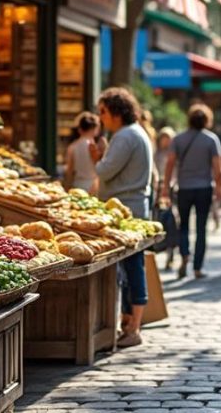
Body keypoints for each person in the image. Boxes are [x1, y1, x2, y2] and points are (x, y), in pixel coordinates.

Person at [89, 87, 153, 347]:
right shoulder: (134, 133)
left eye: (103, 111)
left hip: (127, 207)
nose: (100, 117)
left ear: (116, 112)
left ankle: (133, 327)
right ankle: (128, 323)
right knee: (131, 266)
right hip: (132, 206)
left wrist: (97, 157)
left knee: (133, 267)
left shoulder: (125, 136)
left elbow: (105, 171)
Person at [161, 105, 221, 279]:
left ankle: (185, 254)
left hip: (184, 188)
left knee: (184, 225)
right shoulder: (211, 140)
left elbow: (170, 164)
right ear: (206, 120)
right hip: (204, 188)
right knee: (201, 227)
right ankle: (198, 267)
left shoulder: (178, 139)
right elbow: (218, 168)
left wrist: (166, 186)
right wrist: (219, 188)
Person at [153, 127, 178, 271]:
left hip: (172, 191)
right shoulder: (156, 154)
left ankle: (171, 252)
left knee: (172, 222)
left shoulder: (174, 154)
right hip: (159, 191)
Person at [63, 112, 103, 192]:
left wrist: (66, 188)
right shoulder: (97, 147)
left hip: (77, 185)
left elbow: (69, 171)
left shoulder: (73, 147)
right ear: (95, 128)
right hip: (94, 186)